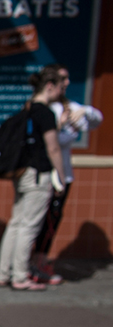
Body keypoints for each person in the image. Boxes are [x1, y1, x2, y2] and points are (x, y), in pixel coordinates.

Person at [0, 66, 68, 291]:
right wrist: (61, 176)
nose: (62, 92)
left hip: (22, 172)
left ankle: (4, 273)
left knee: (16, 222)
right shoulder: (45, 113)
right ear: (50, 86)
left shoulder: (26, 109)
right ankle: (20, 276)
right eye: (60, 87)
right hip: (38, 174)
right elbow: (53, 148)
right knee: (29, 226)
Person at [34, 63, 102, 285]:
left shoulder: (69, 107)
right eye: (63, 79)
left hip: (64, 174)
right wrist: (63, 127)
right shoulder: (44, 108)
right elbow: (52, 143)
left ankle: (40, 260)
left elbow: (96, 120)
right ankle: (34, 264)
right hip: (49, 173)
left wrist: (86, 111)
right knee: (40, 221)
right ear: (51, 83)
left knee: (53, 218)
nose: (67, 83)